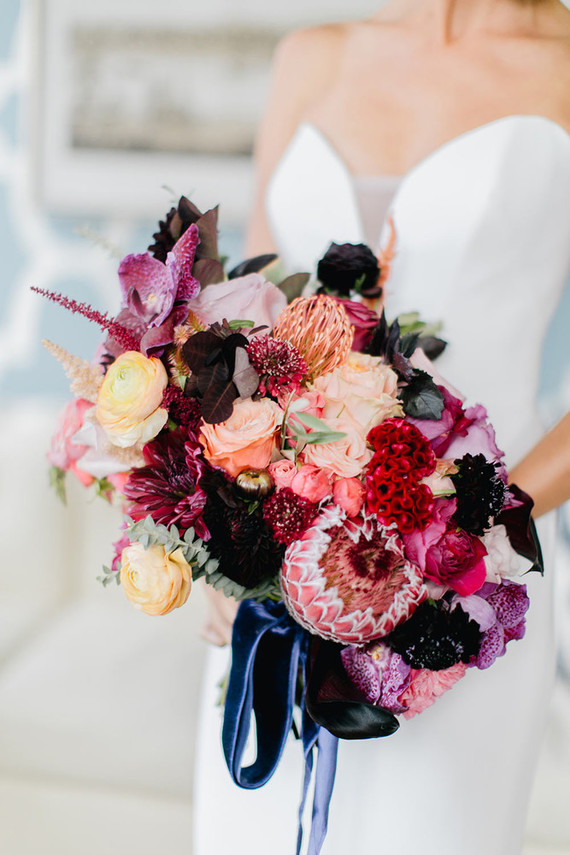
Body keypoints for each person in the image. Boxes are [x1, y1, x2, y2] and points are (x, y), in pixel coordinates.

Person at [194, 1, 570, 853]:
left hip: (475, 578)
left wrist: (458, 527)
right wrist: (222, 530)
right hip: (278, 569)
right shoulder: (311, 57)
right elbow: (242, 328)